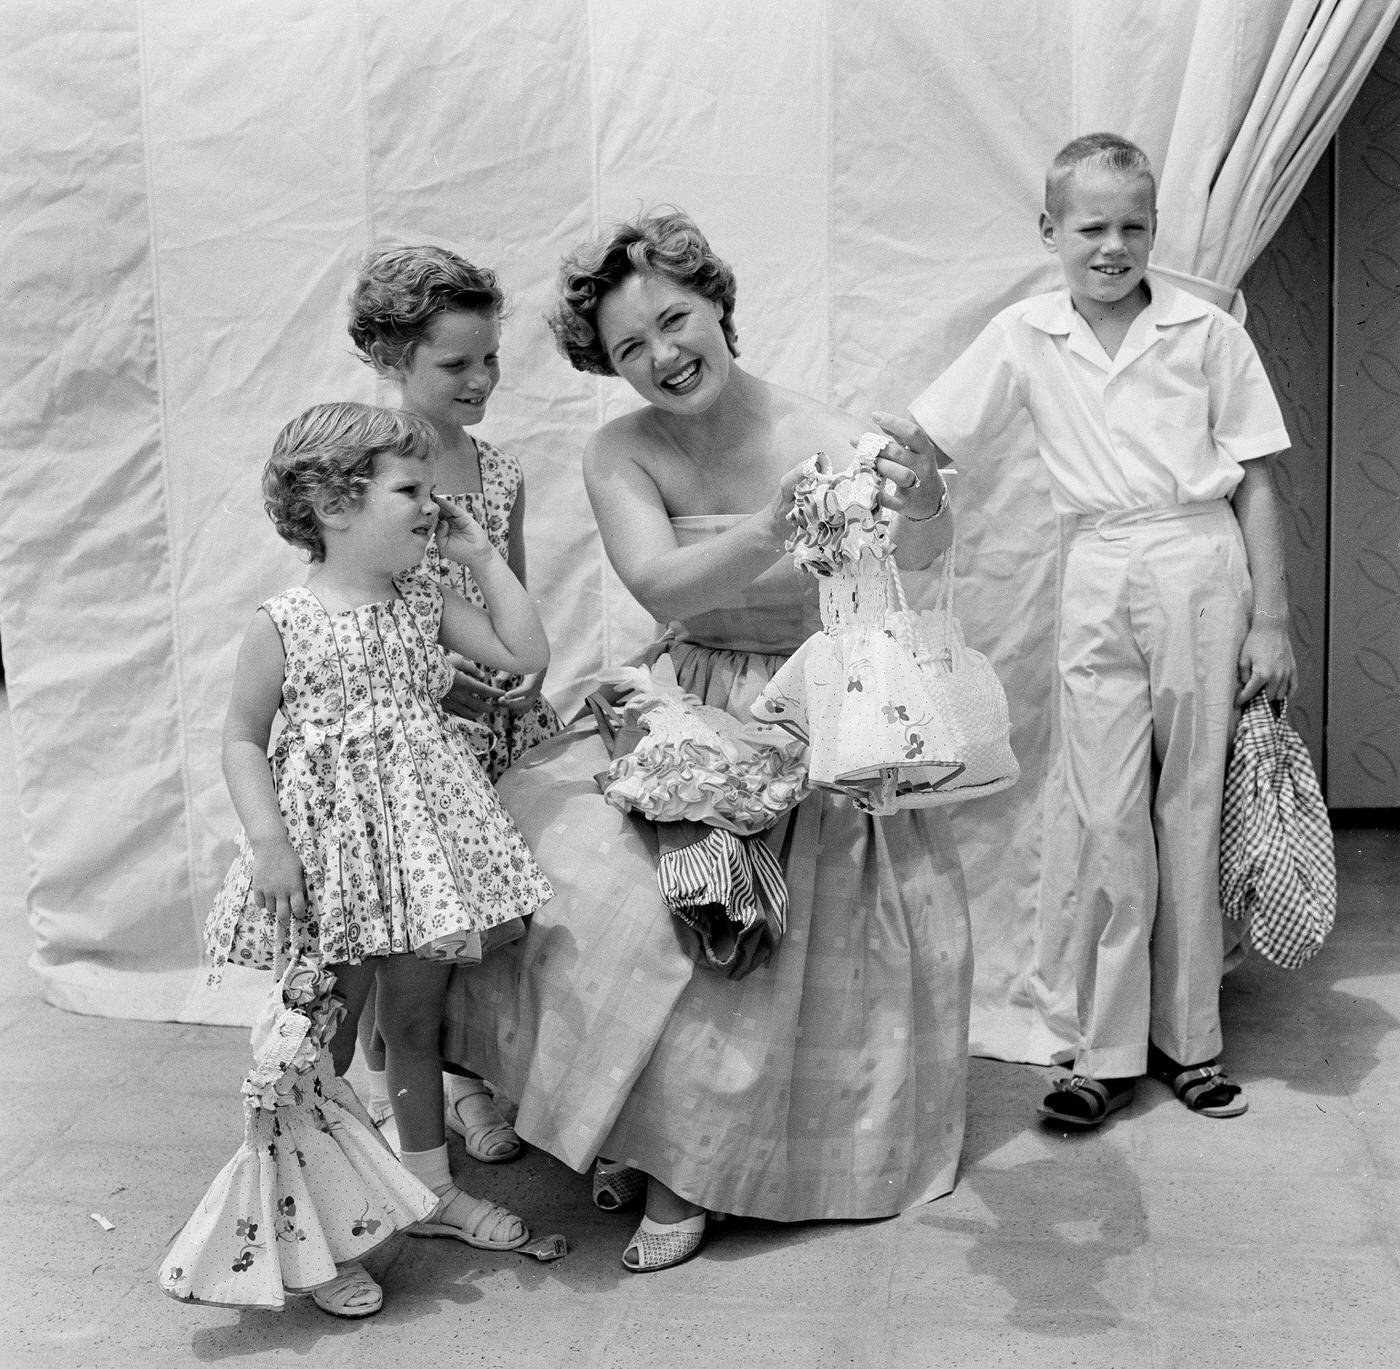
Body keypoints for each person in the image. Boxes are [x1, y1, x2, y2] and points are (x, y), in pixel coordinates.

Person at [442, 209, 972, 1273]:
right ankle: (598, 1120)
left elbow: (915, 558)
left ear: (718, 306)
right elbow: (660, 585)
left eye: (675, 319)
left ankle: (688, 1166)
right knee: (577, 874)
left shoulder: (822, 427)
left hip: (810, 710)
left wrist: (920, 500)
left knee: (730, 927)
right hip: (685, 697)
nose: (663, 355)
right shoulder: (618, 451)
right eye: (630, 346)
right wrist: (772, 525)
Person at [903, 133, 1296, 1129]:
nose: (1112, 246)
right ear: (1050, 231)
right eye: (1091, 228)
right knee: (1106, 812)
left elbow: (1255, 478)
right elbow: (929, 435)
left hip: (1198, 561)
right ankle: (1106, 1049)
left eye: (1132, 226)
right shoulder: (1025, 333)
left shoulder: (1205, 332)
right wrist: (857, 474)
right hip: (1094, 565)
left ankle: (1190, 1042)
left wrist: (1272, 621)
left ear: (1154, 230)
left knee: (1191, 802)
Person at [203, 402, 555, 1315]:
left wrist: (484, 558)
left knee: (414, 1022)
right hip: (333, 861)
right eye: (410, 491)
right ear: (334, 504)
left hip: (420, 856)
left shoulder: (423, 601)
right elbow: (241, 738)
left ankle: (428, 1186)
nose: (433, 507)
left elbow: (525, 654)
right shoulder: (283, 620)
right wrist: (270, 842)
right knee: (323, 1037)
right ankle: (327, 1223)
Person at [345, 246, 561, 1162]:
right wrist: (441, 677)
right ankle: (395, 1079)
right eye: (455, 363)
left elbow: (510, 592)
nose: (481, 380)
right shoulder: (365, 464)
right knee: (406, 919)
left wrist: (524, 678)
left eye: (491, 358)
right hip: (410, 723)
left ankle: (466, 1068)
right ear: (392, 359)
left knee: (492, 914)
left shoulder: (499, 470)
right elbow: (349, 598)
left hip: (494, 723)